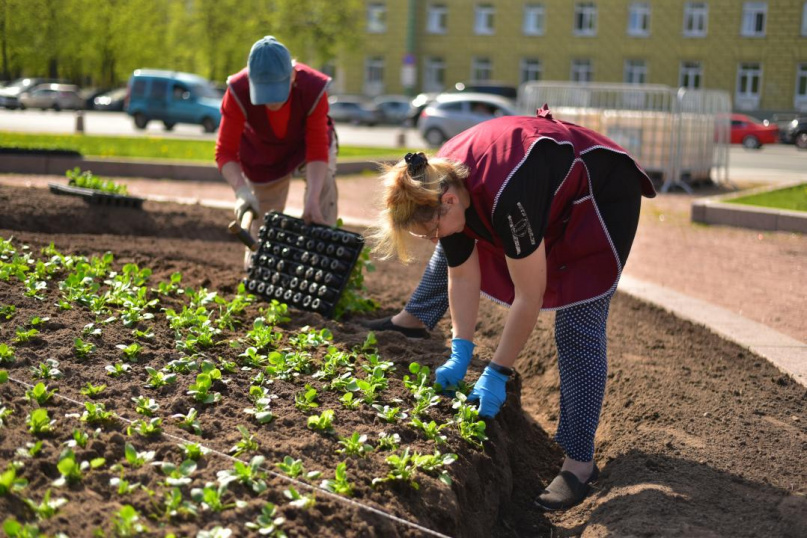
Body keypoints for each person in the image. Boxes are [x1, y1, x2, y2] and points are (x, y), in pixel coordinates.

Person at [369, 105, 656, 510]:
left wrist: (498, 372)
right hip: (540, 187)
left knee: (577, 325)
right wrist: (460, 350)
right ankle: (416, 320)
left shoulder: (508, 199)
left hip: (600, 194)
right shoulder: (436, 184)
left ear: (449, 201)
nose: (432, 239)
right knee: (448, 256)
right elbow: (463, 276)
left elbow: (530, 295)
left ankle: (579, 464)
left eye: (431, 230)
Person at [216, 36, 338, 249]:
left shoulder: (312, 88)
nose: (271, 101)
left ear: (292, 75)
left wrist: (312, 199)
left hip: (304, 146)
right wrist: (241, 191)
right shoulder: (237, 90)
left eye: (276, 92)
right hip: (263, 153)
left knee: (321, 194)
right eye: (264, 93)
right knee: (263, 232)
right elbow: (225, 152)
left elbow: (318, 151)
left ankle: (322, 255)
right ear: (251, 80)